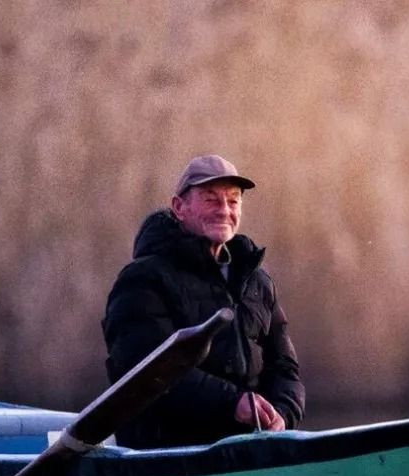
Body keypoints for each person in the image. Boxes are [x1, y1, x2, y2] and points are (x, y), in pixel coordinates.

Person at [102, 154, 305, 448]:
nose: (224, 210)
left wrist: (281, 417)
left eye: (233, 201)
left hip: (251, 455)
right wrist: (233, 404)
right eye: (210, 200)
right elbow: (147, 372)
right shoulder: (142, 280)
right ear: (179, 207)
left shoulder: (257, 282)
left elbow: (286, 369)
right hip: (168, 461)